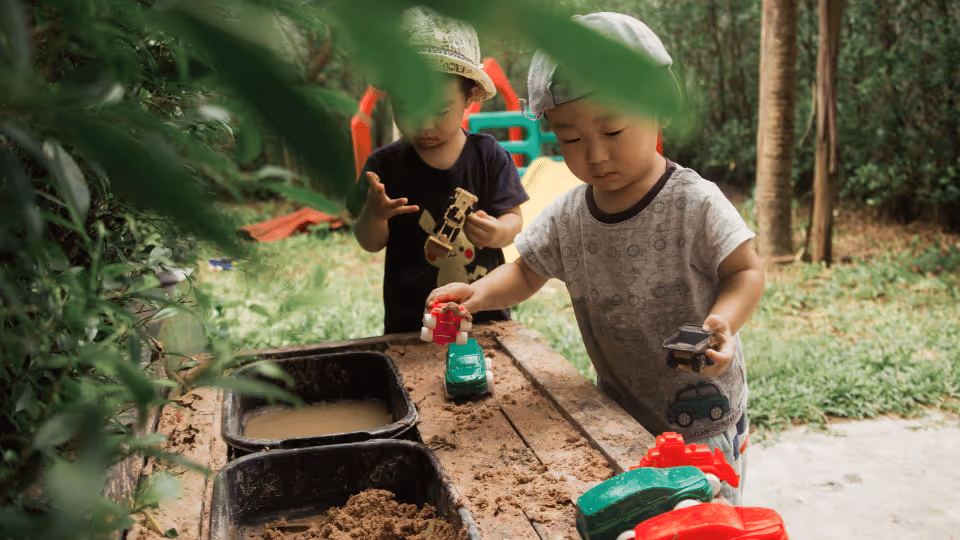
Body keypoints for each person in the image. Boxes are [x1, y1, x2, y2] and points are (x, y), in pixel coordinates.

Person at [426, 12, 764, 505]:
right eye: (572, 139)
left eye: (613, 131)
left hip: (703, 417)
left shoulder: (694, 202)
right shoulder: (570, 215)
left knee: (700, 519)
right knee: (633, 518)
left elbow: (747, 269)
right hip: (620, 410)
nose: (596, 155)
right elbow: (525, 270)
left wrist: (724, 323)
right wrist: (476, 295)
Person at [349, 7, 529, 335]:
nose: (424, 124)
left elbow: (514, 221)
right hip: (412, 322)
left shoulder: (489, 155)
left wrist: (498, 231)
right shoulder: (383, 166)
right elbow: (370, 243)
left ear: (470, 96)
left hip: (484, 316)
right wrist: (374, 217)